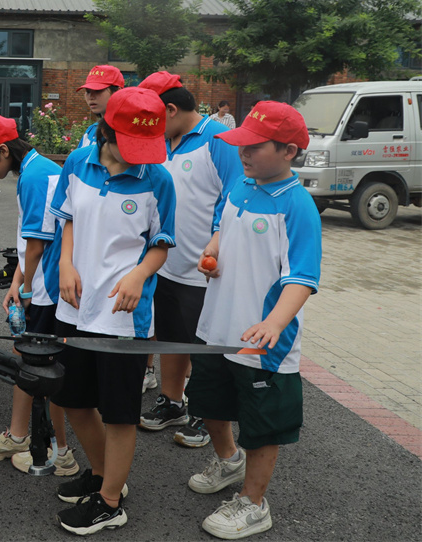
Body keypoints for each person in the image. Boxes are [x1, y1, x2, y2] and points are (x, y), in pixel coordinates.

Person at [186, 101, 320, 540]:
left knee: (263, 427)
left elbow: (301, 278)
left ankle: (254, 503)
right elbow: (225, 229)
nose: (243, 153)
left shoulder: (298, 206)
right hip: (215, 327)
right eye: (241, 144)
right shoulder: (241, 185)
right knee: (208, 402)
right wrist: (212, 253)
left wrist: (275, 324)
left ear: (289, 151)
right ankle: (227, 461)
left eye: (255, 147)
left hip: (261, 340)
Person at [49, 87, 176, 536]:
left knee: (121, 412)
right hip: (76, 308)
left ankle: (108, 503)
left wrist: (140, 275)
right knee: (74, 399)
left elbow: (161, 244)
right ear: (106, 130)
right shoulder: (76, 163)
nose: (139, 154)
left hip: (125, 316)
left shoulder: (157, 179)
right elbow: (66, 221)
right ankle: (105, 476)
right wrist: (65, 262)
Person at [0, 116, 78, 476]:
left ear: (3, 150)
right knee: (28, 361)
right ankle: (18, 436)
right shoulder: (40, 168)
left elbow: (39, 243)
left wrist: (25, 288)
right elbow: (31, 240)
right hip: (43, 282)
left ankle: (61, 452)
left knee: (45, 368)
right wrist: (18, 280)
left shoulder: (33, 176)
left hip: (47, 289)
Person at [136, 72, 243, 449]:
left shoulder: (219, 141)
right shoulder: (162, 143)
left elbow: (234, 197)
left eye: (153, 117)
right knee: (169, 336)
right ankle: (173, 401)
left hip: (205, 267)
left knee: (203, 343)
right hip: (166, 262)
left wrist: (215, 245)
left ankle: (204, 409)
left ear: (170, 108)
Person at [76, 65, 125, 149]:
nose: (91, 97)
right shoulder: (91, 131)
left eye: (98, 91)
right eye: (88, 91)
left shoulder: (129, 131)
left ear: (118, 92)